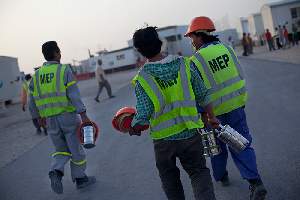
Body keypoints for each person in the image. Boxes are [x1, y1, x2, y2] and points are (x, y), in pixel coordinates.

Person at [130, 26, 218, 200]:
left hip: (163, 142)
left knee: (170, 180)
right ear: (160, 43)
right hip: (191, 134)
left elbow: (144, 113)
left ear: (140, 51)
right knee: (198, 172)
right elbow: (203, 94)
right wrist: (211, 117)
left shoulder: (142, 79)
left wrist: (134, 126)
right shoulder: (184, 64)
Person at [185, 16, 267, 200]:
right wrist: (240, 99)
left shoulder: (195, 60)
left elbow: (197, 92)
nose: (192, 42)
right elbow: (240, 74)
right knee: (240, 143)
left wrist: (200, 114)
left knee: (215, 148)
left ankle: (221, 175)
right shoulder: (227, 49)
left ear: (199, 36)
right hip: (236, 106)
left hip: (213, 114)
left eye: (192, 38)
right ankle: (255, 182)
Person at [29, 41, 96, 194]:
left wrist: (38, 117)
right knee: (76, 149)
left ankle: (56, 171)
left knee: (60, 149)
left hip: (49, 120)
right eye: (59, 52)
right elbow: (74, 95)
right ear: (57, 53)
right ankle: (81, 179)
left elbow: (31, 101)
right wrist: (84, 115)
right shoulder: (63, 70)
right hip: (68, 117)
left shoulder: (36, 76)